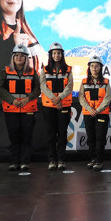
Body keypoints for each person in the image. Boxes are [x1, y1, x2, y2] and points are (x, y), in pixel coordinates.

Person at [0, 44, 40, 171]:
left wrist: (29, 98)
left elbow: (38, 89)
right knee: (14, 136)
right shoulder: (4, 71)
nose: (19, 57)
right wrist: (12, 100)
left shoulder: (32, 72)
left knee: (27, 136)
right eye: (16, 55)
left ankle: (25, 162)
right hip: (12, 109)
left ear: (26, 58)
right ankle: (13, 162)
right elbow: (0, 88)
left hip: (28, 109)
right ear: (13, 57)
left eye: (22, 55)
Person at [40, 42, 73, 171]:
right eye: (54, 53)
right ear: (50, 55)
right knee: (51, 133)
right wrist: (54, 99)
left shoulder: (68, 69)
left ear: (62, 54)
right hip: (49, 106)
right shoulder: (45, 69)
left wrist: (59, 98)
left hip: (64, 105)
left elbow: (69, 87)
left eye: (58, 53)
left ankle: (61, 159)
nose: (56, 55)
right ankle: (52, 160)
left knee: (62, 133)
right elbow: (43, 86)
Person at [79, 55, 111, 171]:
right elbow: (81, 98)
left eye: (97, 66)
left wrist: (97, 110)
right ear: (89, 67)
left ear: (100, 67)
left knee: (100, 138)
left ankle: (99, 160)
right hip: (88, 114)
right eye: (92, 66)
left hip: (101, 113)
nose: (94, 68)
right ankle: (92, 159)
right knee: (91, 137)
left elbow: (108, 98)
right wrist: (90, 109)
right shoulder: (84, 82)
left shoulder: (106, 82)